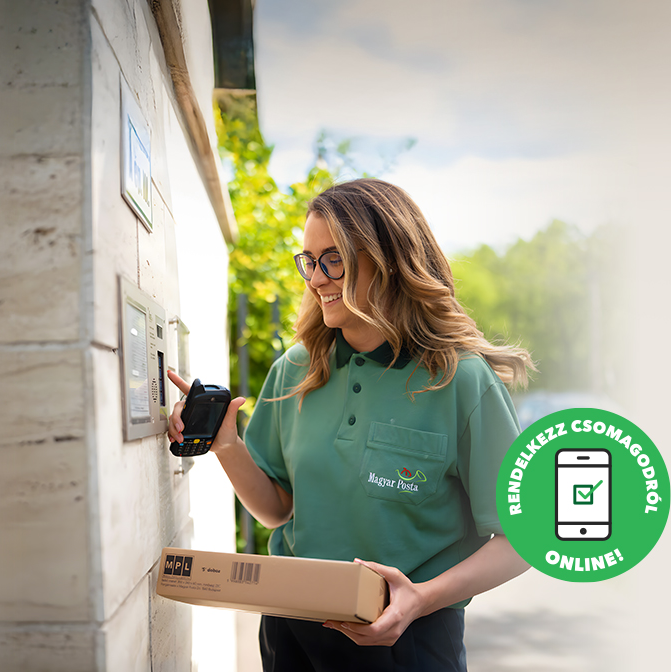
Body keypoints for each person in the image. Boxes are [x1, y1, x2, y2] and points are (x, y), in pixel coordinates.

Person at [167, 178, 534, 671]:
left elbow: (524, 540)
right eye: (309, 260)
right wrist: (227, 446)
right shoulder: (295, 369)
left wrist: (419, 599)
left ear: (389, 258)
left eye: (333, 259)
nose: (316, 277)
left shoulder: (461, 380)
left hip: (405, 639)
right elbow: (277, 511)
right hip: (289, 629)